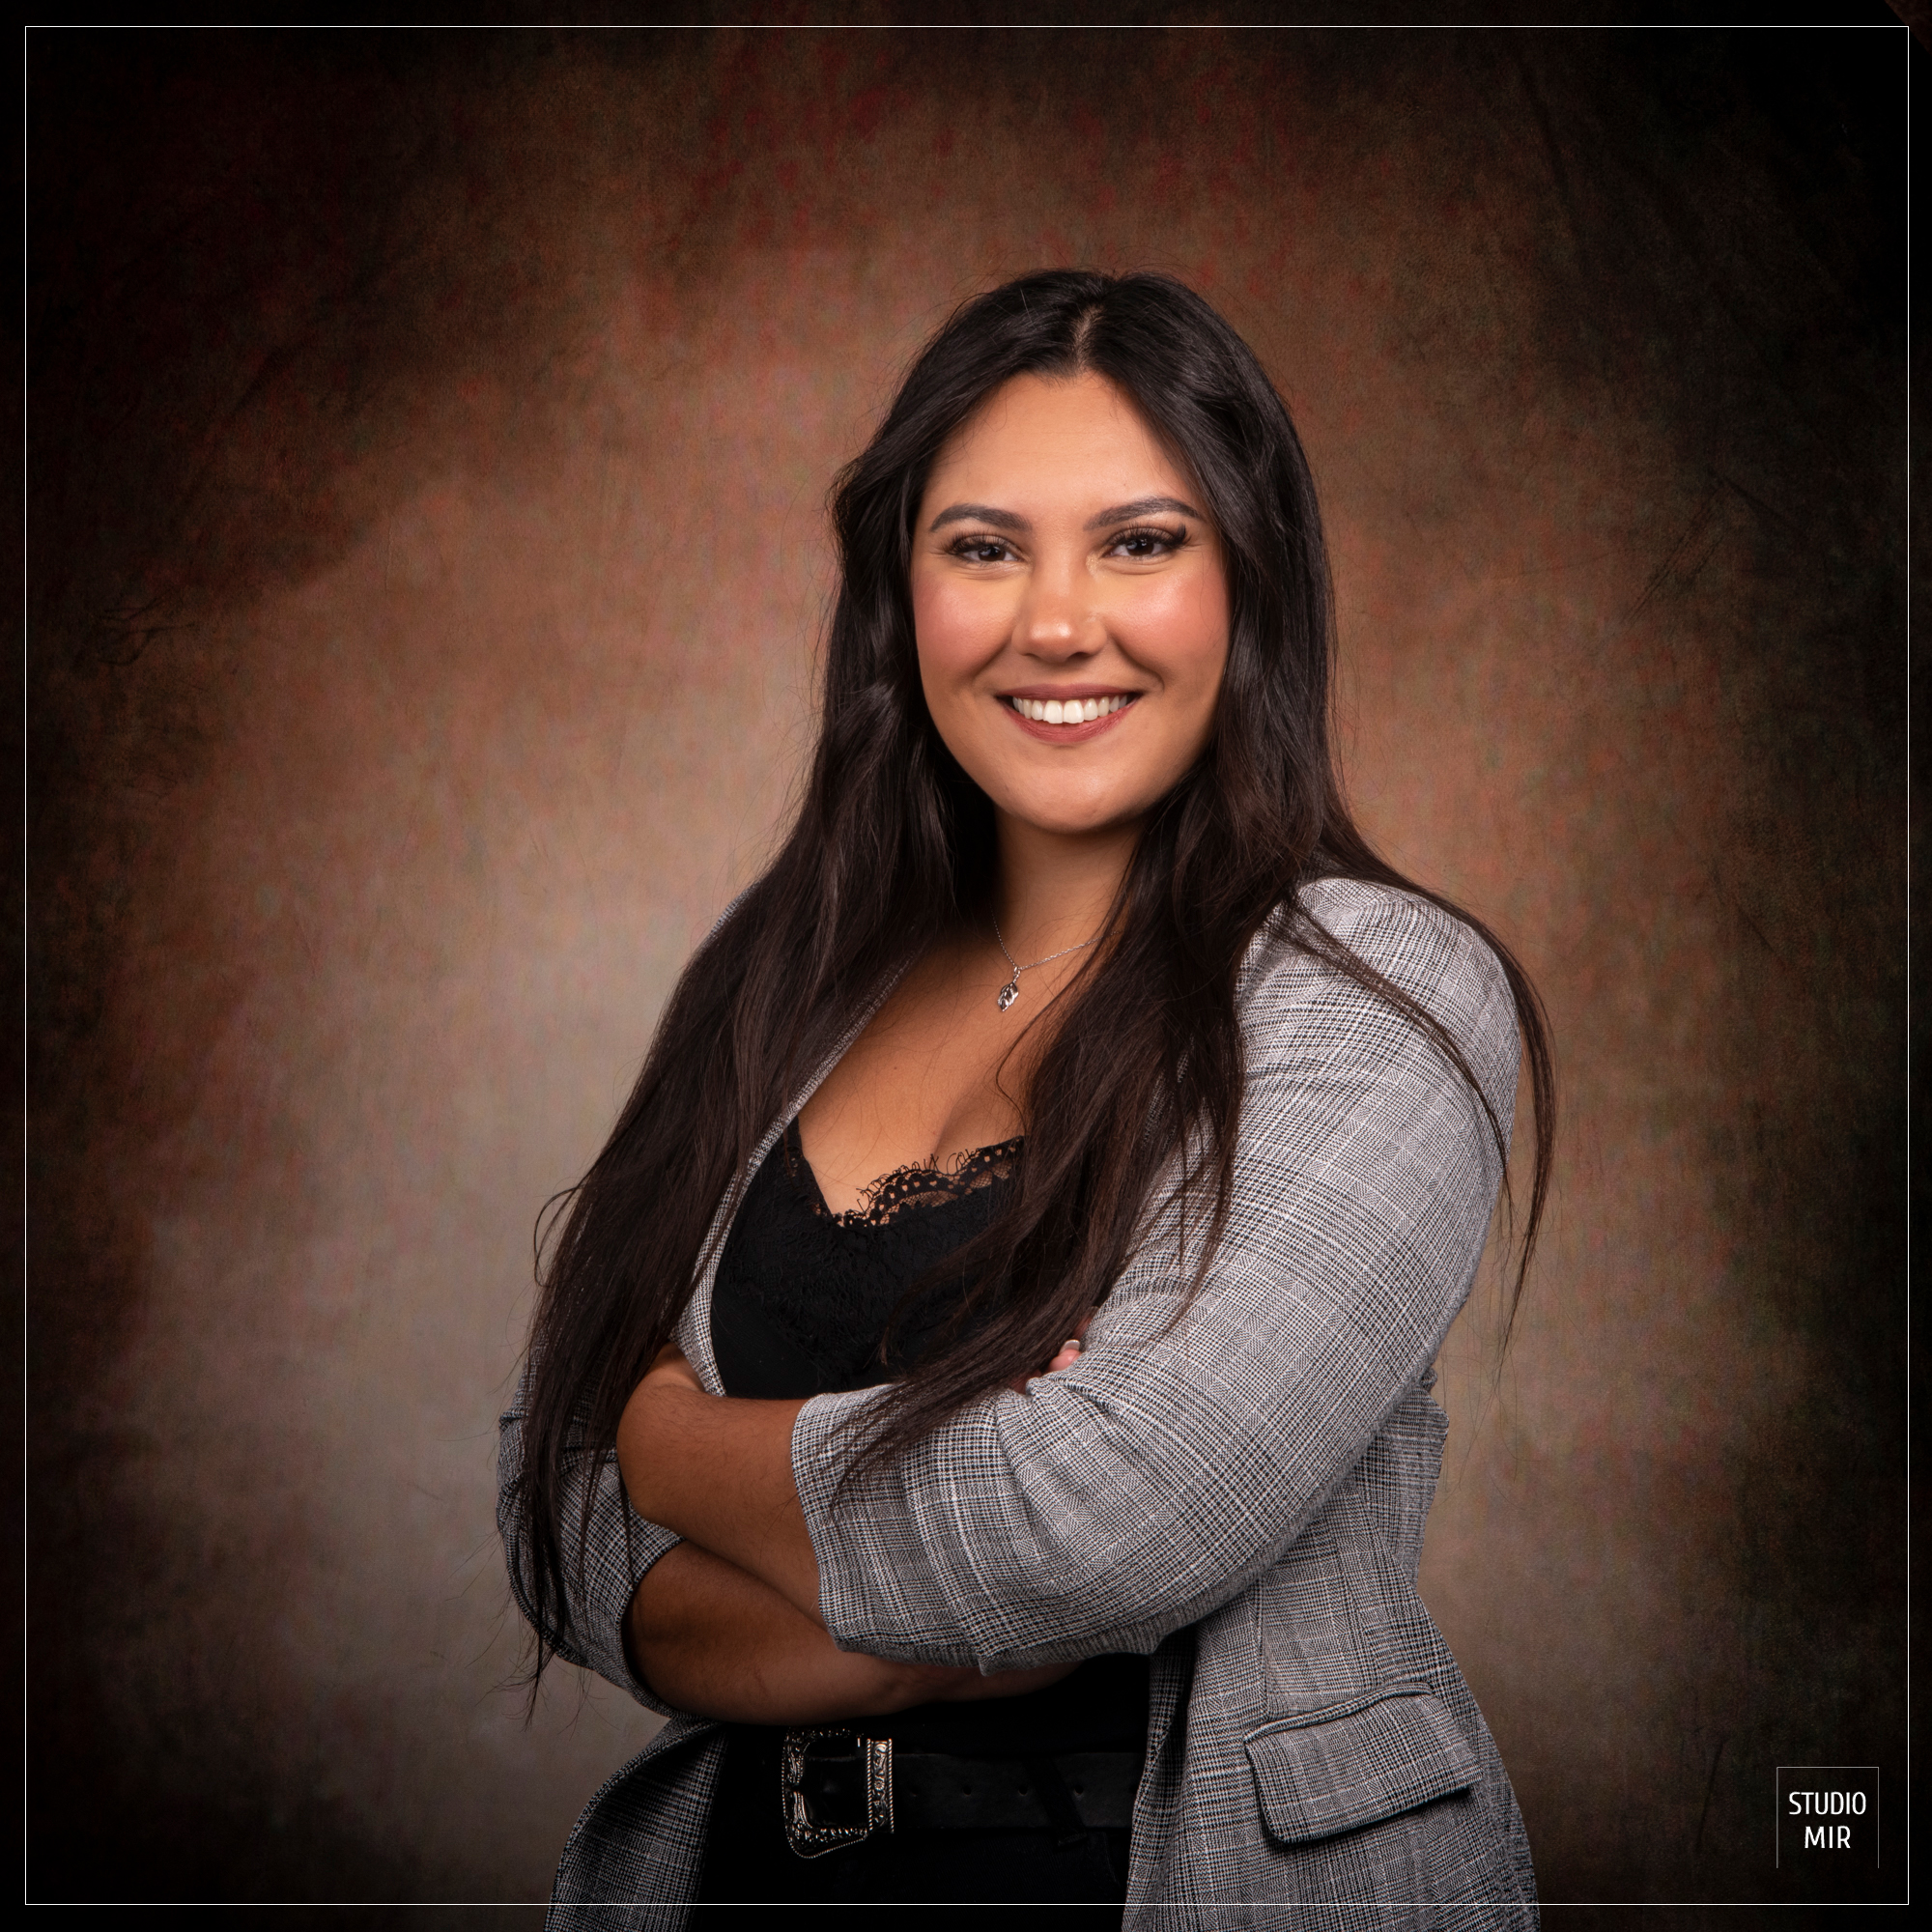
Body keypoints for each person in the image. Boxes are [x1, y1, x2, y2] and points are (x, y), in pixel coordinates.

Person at [498, 269, 1553, 1925]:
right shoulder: (783, 982)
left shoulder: (1382, 995)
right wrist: (925, 1650)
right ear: (898, 596)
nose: (1057, 622)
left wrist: (666, 1436)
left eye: (1142, 541)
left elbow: (1106, 1524)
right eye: (983, 548)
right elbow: (552, 1516)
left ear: (1250, 584)